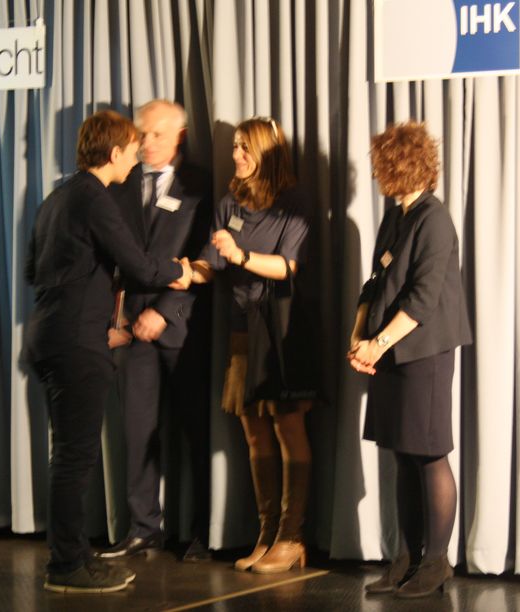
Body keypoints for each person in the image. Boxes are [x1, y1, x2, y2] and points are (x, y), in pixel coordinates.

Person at [23, 109, 192, 593]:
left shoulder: (57, 198)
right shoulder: (95, 198)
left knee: (68, 455)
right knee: (74, 458)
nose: (138, 154)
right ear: (115, 153)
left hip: (49, 335)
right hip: (78, 343)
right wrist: (178, 272)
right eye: (132, 148)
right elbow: (138, 265)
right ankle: (67, 566)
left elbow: (34, 270)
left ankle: (72, 556)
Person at [347, 122, 472, 598]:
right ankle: (406, 557)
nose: (377, 174)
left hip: (424, 353)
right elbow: (373, 285)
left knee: (429, 454)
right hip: (389, 351)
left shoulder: (433, 219)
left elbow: (421, 299)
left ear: (401, 165)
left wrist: (377, 345)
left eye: (382, 165)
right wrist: (358, 337)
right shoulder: (395, 217)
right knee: (402, 454)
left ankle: (436, 563)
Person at [189, 117, 317, 574]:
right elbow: (210, 259)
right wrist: (186, 272)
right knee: (253, 432)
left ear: (266, 153)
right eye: (235, 147)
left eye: (244, 148)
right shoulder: (229, 201)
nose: (236, 154)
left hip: (281, 332)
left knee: (287, 428)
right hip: (241, 329)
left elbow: (289, 267)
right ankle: (266, 533)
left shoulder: (293, 202)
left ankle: (292, 535)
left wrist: (240, 255)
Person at [97, 100, 214, 562]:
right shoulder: (123, 181)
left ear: (179, 137)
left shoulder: (201, 185)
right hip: (131, 330)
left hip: (181, 329)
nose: (145, 144)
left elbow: (205, 256)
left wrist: (165, 311)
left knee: (194, 433)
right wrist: (119, 317)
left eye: (156, 136)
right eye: (142, 135)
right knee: (137, 432)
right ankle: (144, 528)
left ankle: (204, 532)